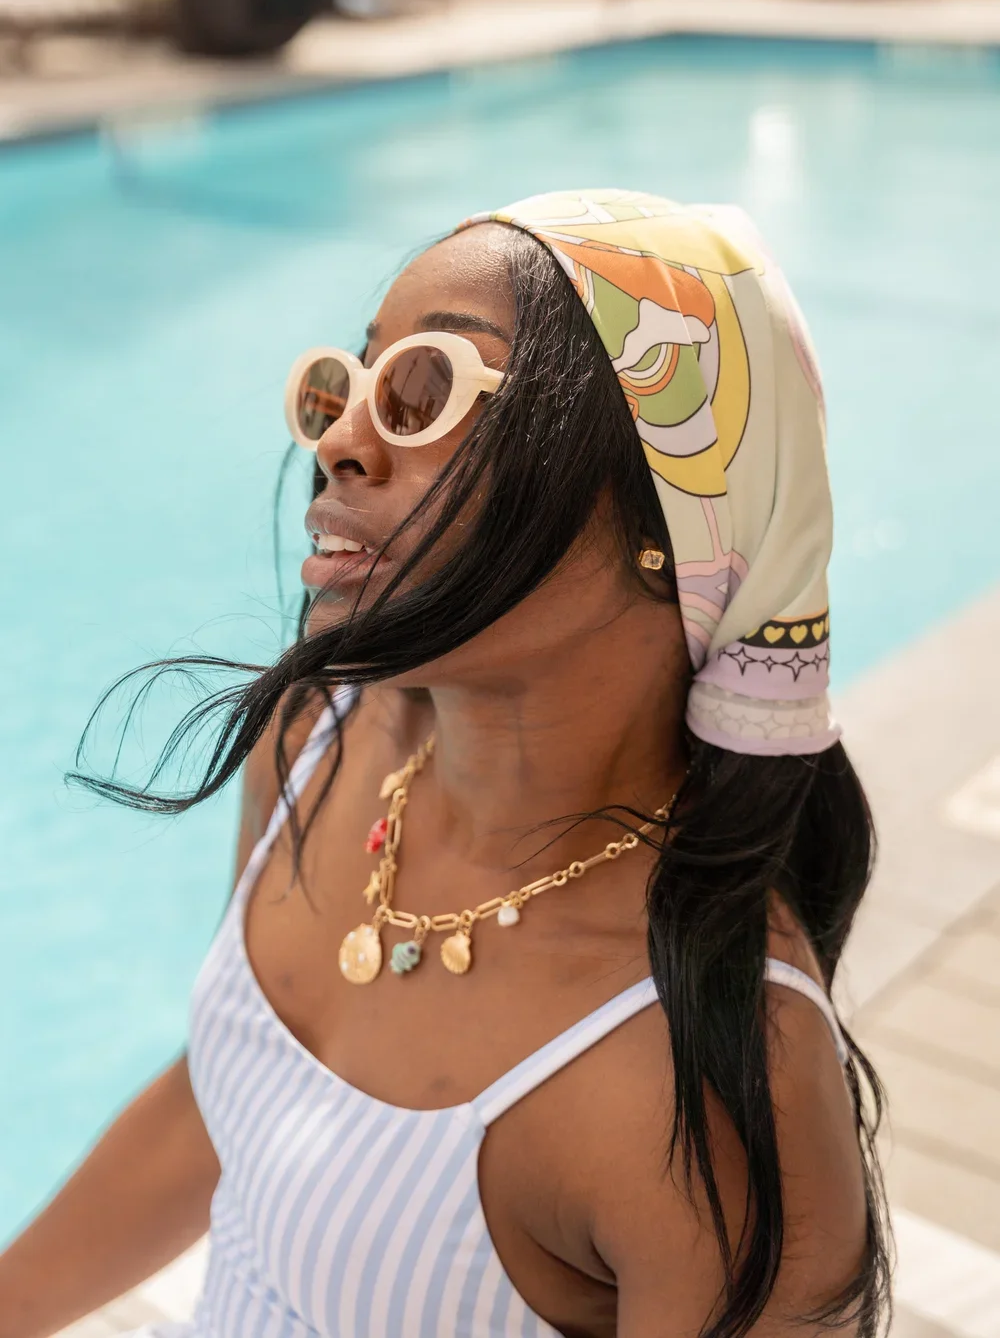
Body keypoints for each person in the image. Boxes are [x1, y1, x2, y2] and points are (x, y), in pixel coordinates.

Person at [0, 190, 889, 1338]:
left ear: (664, 516)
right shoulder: (318, 746)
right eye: (346, 385)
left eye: (421, 394)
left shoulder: (705, 1080)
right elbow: (219, 1113)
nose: (335, 441)